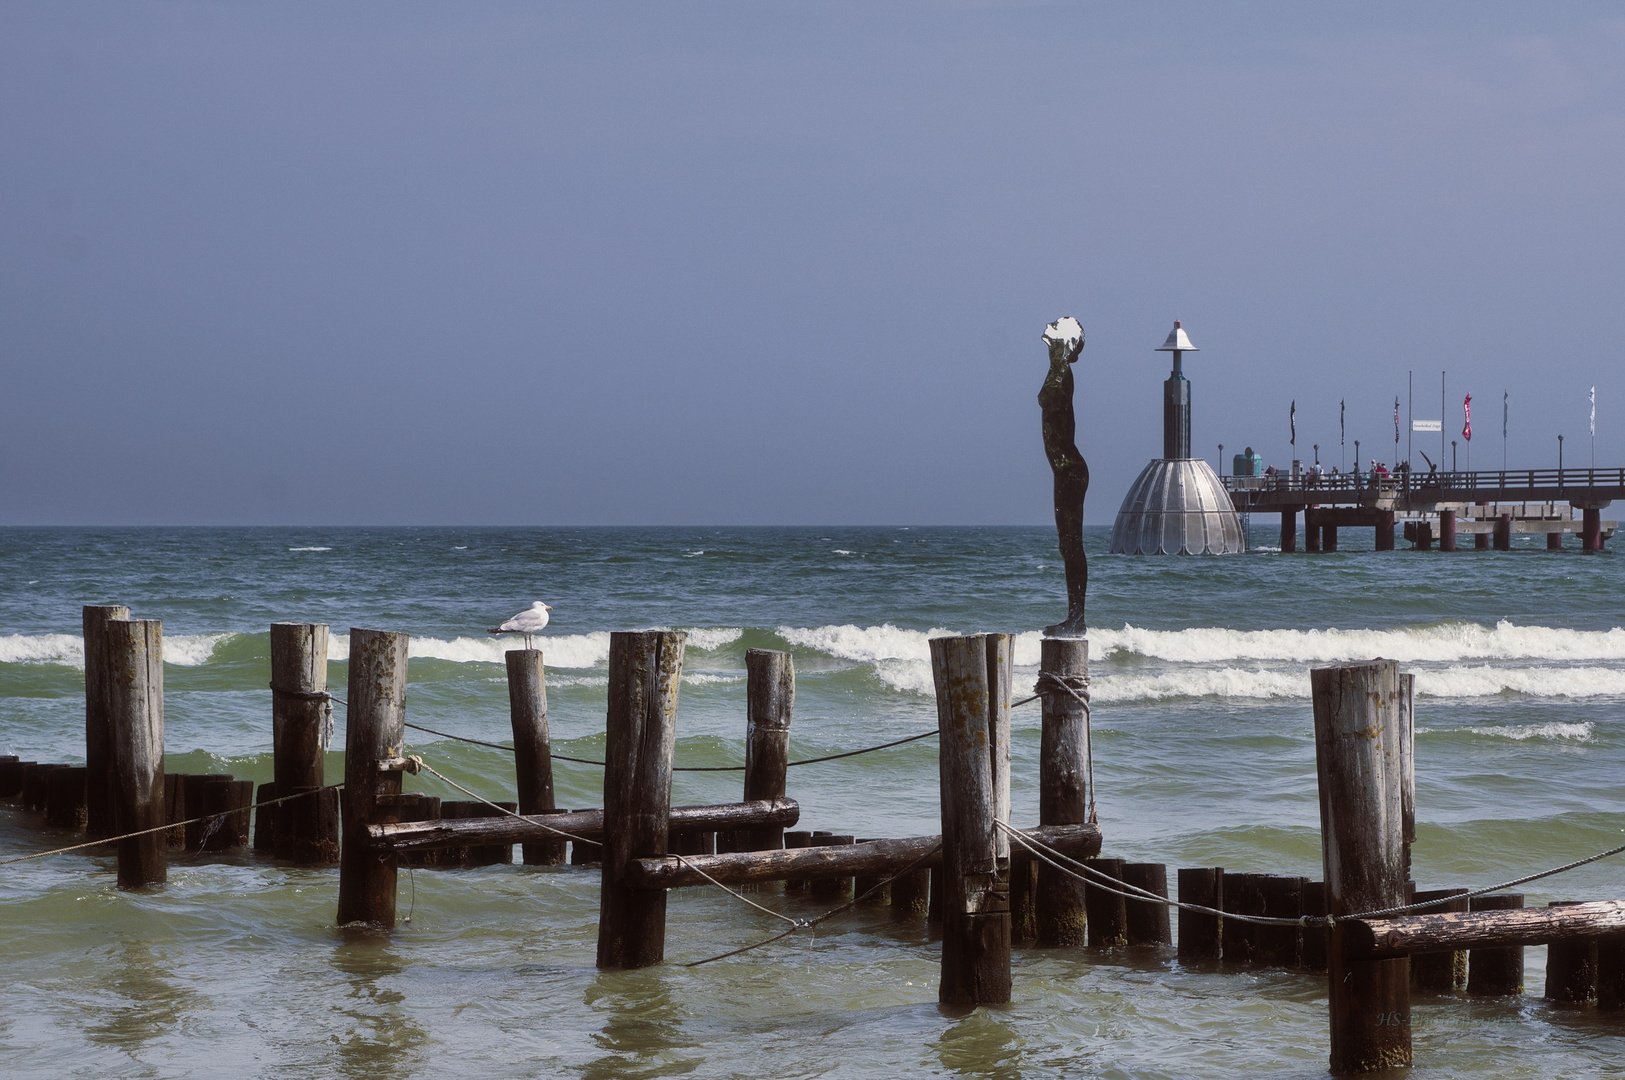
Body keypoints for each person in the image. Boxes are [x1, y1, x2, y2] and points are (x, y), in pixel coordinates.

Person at [1039, 319, 1087, 637]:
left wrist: (1061, 350)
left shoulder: (1061, 374)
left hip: (1069, 470)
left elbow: (1052, 398)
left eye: (1054, 344)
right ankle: (1073, 615)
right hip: (1063, 470)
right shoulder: (1058, 374)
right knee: (1066, 545)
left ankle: (1077, 617)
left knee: (1072, 545)